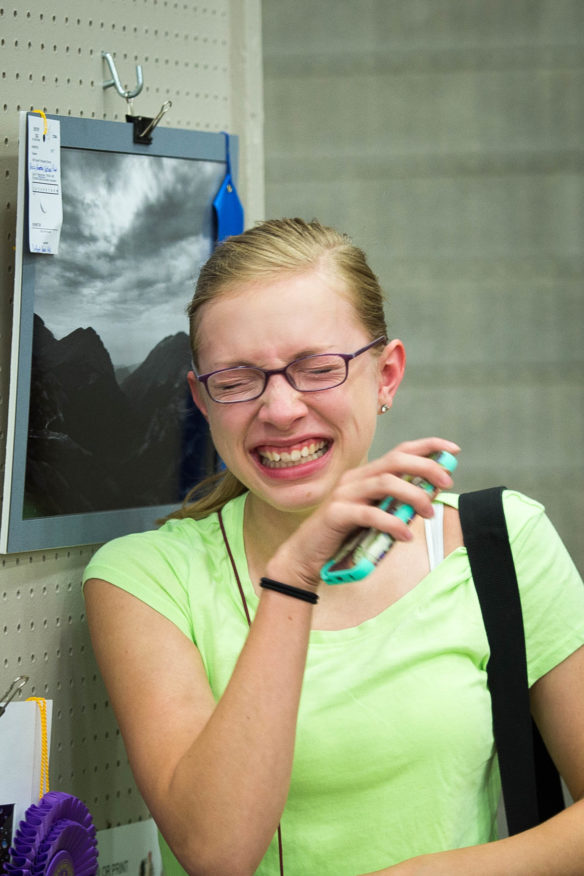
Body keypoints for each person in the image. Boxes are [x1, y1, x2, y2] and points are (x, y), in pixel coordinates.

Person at [83, 218, 584, 876]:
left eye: (317, 369)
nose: (281, 408)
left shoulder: (502, 542)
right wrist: (294, 575)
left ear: (387, 375)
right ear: (202, 401)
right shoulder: (143, 579)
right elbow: (217, 852)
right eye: (236, 381)